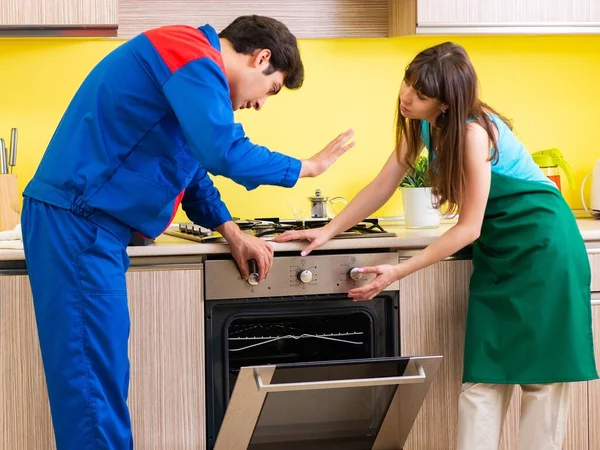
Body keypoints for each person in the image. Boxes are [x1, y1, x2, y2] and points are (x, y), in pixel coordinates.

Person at [21, 15, 354, 449]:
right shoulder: (189, 54)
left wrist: (230, 231)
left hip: (87, 226)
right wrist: (306, 168)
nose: (260, 105)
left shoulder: (188, 67)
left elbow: (192, 167)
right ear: (261, 58)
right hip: (78, 223)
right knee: (91, 390)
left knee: (99, 383)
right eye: (270, 90)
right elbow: (221, 151)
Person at [275, 41, 597, 450]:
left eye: (421, 94)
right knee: (484, 377)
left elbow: (468, 228)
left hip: (543, 246)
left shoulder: (472, 133)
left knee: (542, 383)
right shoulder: (425, 124)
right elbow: (383, 184)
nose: (407, 96)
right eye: (408, 82)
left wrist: (398, 271)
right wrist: (328, 231)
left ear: (446, 103)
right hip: (500, 247)